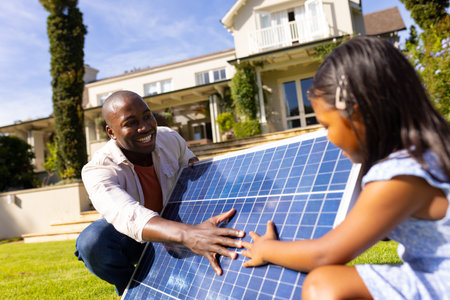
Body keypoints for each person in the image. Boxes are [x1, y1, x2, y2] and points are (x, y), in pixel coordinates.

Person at [241, 36, 450, 299]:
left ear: (358, 114)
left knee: (323, 284)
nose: (327, 137)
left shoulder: (398, 179)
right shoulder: (429, 155)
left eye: (327, 126)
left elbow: (324, 254)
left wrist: (267, 249)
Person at [75, 90, 244, 295]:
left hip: (180, 223)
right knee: (93, 242)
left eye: (147, 116)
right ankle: (136, 292)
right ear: (111, 132)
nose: (145, 127)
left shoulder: (170, 139)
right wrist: (189, 235)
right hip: (135, 239)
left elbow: (198, 178)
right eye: (131, 123)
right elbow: (129, 216)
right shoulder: (98, 169)